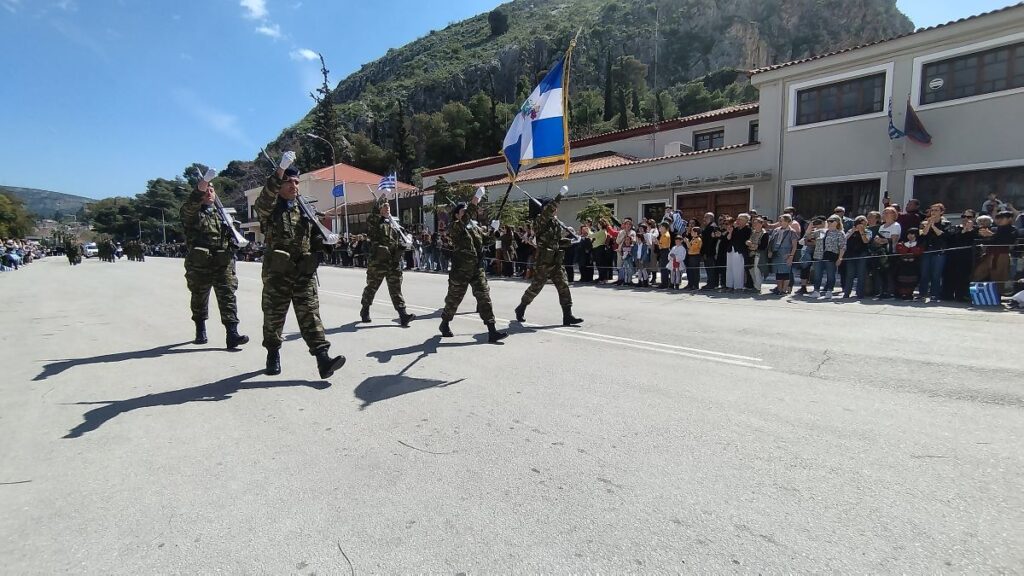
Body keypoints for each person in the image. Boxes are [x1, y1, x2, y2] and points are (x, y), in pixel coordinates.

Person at [254, 151, 345, 379]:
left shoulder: (306, 210)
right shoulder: (271, 210)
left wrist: (325, 242)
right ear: (280, 185)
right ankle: (273, 354)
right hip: (278, 275)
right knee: (274, 318)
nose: (294, 185)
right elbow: (263, 200)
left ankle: (323, 359)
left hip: (303, 273)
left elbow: (314, 236)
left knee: (311, 317)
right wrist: (280, 170)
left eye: (296, 182)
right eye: (289, 181)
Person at [179, 171, 249, 349]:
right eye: (206, 190)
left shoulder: (222, 215)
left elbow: (230, 237)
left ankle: (232, 334)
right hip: (200, 265)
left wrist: (237, 241)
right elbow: (192, 201)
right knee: (199, 298)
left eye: (212, 189)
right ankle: (200, 328)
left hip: (223, 263)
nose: (209, 192)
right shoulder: (191, 213)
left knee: (228, 298)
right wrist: (203, 183)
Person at [439, 188, 507, 343]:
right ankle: (444, 323)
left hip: (477, 268)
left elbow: (486, 241)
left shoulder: (475, 228)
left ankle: (492, 330)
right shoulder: (455, 226)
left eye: (466, 211)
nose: (466, 214)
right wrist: (476, 198)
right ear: (457, 215)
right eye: (463, 212)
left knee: (484, 297)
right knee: (453, 300)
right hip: (460, 271)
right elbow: (467, 216)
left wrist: (494, 231)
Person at [514, 187, 583, 326]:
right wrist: (559, 195)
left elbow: (557, 241)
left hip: (556, 260)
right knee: (536, 287)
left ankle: (567, 315)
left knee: (564, 286)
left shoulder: (555, 223)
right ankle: (521, 307)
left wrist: (572, 241)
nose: (555, 209)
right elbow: (547, 212)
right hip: (544, 261)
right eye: (552, 207)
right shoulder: (539, 221)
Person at [359, 196, 415, 326]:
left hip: (393, 261)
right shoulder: (375, 221)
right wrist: (378, 206)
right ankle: (365, 309)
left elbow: (401, 236)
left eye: (388, 205)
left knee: (396, 289)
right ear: (379, 209)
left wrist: (405, 241)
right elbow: (373, 218)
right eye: (384, 205)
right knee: (372, 287)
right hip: (378, 261)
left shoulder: (393, 223)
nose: (387, 207)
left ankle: (403, 315)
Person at [943, 210, 978, 302]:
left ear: (973, 218)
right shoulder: (955, 228)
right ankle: (947, 294)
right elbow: (951, 238)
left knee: (963, 276)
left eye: (969, 217)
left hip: (967, 257)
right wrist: (964, 230)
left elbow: (976, 239)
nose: (966, 219)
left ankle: (961, 295)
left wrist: (969, 230)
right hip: (953, 256)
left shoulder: (976, 230)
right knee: (950, 275)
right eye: (964, 216)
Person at [917, 202, 949, 302]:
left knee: (936, 274)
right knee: (924, 273)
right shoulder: (924, 224)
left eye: (936, 210)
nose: (933, 212)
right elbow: (923, 235)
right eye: (932, 210)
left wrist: (933, 226)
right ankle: (922, 294)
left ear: (941, 212)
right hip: (927, 250)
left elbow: (942, 235)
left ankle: (935, 294)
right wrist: (928, 224)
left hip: (939, 251)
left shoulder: (946, 224)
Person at [810, 215, 846, 299]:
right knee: (817, 274)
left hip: (831, 256)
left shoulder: (840, 233)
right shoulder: (822, 231)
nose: (829, 222)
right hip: (819, 255)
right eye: (828, 221)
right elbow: (808, 236)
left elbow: (842, 246)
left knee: (830, 275)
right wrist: (812, 225)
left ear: (837, 222)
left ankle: (829, 291)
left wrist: (840, 258)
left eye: (832, 221)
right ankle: (816, 290)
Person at [872, 207, 902, 299]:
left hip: (890, 252)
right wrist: (879, 240)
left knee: (890, 273)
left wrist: (882, 240)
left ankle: (891, 292)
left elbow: (894, 239)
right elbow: (878, 238)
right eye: (884, 213)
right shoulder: (882, 226)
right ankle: (883, 291)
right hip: (881, 252)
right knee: (882, 273)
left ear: (893, 214)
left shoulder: (896, 225)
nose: (885, 214)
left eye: (888, 213)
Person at [842, 215, 872, 298]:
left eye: (863, 223)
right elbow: (844, 239)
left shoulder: (868, 231)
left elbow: (866, 241)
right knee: (850, 274)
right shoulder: (851, 230)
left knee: (861, 273)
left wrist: (862, 231)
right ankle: (847, 292)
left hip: (862, 253)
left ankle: (860, 293)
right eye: (859, 223)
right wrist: (853, 231)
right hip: (851, 254)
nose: (861, 225)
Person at [768, 214, 798, 295]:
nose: (780, 222)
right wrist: (770, 251)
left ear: (787, 222)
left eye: (782, 221)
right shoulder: (776, 230)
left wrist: (791, 256)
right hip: (776, 253)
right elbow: (771, 241)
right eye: (780, 221)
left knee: (785, 272)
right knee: (777, 271)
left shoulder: (792, 232)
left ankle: (784, 290)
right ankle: (779, 289)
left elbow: (794, 246)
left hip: (786, 253)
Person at [894, 229, 924, 300]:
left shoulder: (919, 243)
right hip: (903, 265)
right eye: (909, 234)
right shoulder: (902, 243)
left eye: (912, 234)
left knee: (912, 280)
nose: (910, 236)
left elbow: (918, 252)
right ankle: (902, 293)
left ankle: (910, 293)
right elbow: (901, 251)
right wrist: (907, 245)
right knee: (901, 279)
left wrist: (913, 246)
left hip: (913, 265)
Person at [725, 214, 750, 291]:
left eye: (740, 219)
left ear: (746, 221)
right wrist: (730, 231)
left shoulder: (748, 229)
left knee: (738, 269)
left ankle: (738, 286)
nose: (738, 221)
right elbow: (728, 238)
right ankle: (729, 285)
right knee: (730, 268)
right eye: (738, 219)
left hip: (739, 251)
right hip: (731, 249)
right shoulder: (735, 228)